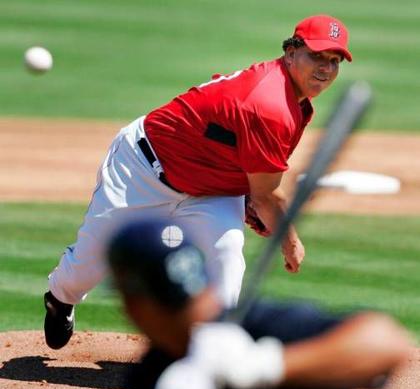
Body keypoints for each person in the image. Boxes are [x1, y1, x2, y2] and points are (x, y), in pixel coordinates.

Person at [43, 14, 353, 349]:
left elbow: (244, 157)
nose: (325, 68)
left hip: (211, 192)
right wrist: (288, 239)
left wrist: (249, 195)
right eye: (316, 56)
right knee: (88, 265)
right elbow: (267, 195)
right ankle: (59, 299)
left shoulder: (291, 96)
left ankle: (213, 351)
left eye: (334, 61)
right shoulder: (271, 103)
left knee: (227, 256)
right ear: (291, 53)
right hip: (142, 170)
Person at [105, 217, 411, 389]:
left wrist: (264, 366)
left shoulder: (261, 328)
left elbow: (389, 343)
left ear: (135, 303)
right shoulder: (160, 365)